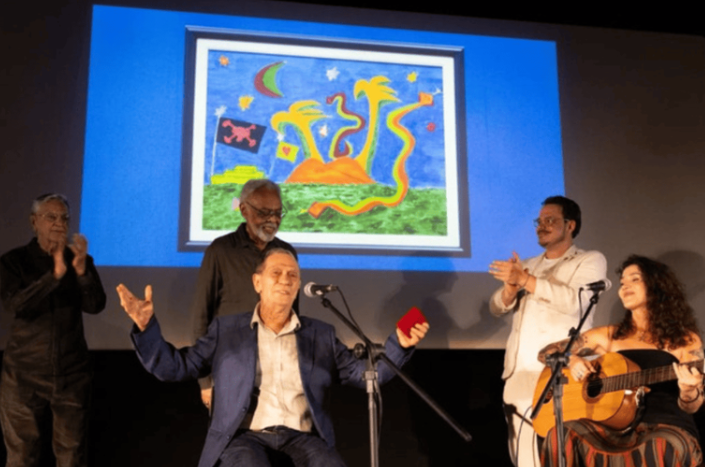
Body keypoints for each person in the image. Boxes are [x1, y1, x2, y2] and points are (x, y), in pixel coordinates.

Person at [117, 248, 429, 467]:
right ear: (258, 282)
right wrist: (146, 327)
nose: (285, 280)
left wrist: (399, 345)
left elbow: (368, 377)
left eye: (293, 275)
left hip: (303, 438)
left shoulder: (320, 334)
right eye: (276, 273)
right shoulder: (227, 330)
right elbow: (176, 367)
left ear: (299, 285)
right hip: (246, 437)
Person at [537, 255, 703, 467]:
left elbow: (692, 406)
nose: (625, 286)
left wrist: (689, 391)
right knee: (560, 435)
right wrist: (571, 360)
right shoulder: (609, 335)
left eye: (635, 279)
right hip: (611, 429)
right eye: (622, 282)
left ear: (657, 286)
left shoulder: (685, 340)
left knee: (659, 445)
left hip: (663, 424)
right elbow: (547, 352)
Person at [489, 195, 607, 467]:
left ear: (570, 225)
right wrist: (510, 289)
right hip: (521, 375)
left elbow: (574, 302)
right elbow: (496, 307)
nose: (542, 226)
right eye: (539, 221)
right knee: (524, 458)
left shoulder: (588, 260)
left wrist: (525, 280)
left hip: (564, 373)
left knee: (565, 453)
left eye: (550, 220)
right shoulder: (529, 265)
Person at [0, 193, 106, 467]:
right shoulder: (14, 261)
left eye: (64, 218)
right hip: (23, 375)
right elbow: (15, 304)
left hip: (71, 374)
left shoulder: (79, 259)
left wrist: (81, 273)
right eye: (51, 217)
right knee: (21, 458)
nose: (60, 224)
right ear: (34, 222)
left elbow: (96, 305)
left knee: (72, 457)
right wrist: (54, 276)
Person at [191, 178, 298, 410]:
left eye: (277, 213)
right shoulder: (220, 250)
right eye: (264, 212)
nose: (273, 220)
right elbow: (201, 316)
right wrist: (205, 381)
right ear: (244, 210)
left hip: (276, 375)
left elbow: (294, 318)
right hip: (229, 371)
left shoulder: (286, 253)